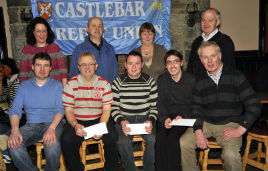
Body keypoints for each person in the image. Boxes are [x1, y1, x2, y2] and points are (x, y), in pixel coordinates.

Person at [180, 41, 262, 171]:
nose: (210, 60)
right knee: (184, 143)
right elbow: (196, 109)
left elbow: (254, 105)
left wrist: (241, 129)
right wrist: (198, 130)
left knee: (230, 155)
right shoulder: (199, 81)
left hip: (230, 123)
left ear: (220, 55)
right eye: (205, 57)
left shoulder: (236, 76)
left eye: (213, 55)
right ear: (201, 60)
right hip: (206, 122)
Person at [61, 52, 119, 171]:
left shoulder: (105, 84)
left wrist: (101, 126)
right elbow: (69, 110)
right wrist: (75, 125)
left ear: (96, 66)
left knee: (113, 137)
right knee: (66, 140)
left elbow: (107, 109)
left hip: (100, 118)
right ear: (78, 67)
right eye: (83, 65)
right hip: (77, 120)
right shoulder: (70, 85)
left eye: (90, 64)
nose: (87, 68)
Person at [8, 52, 64, 171]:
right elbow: (15, 110)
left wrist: (52, 128)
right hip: (31, 125)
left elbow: (60, 109)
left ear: (51, 68)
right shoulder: (24, 86)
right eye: (39, 65)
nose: (42, 69)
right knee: (13, 145)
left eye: (46, 65)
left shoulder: (57, 85)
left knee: (52, 146)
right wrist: (14, 130)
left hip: (53, 123)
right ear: (33, 67)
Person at [111, 51, 158, 171]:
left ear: (142, 64)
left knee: (152, 139)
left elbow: (154, 107)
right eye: (130, 63)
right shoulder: (118, 82)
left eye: (137, 63)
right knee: (122, 141)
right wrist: (121, 121)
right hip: (125, 118)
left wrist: (151, 120)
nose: (133, 67)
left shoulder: (150, 81)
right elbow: (114, 107)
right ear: (125, 65)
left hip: (145, 118)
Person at [155, 50, 196, 170]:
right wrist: (164, 119)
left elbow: (196, 104)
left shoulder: (191, 80)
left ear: (181, 63)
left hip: (185, 118)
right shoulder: (162, 79)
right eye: (169, 63)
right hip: (168, 117)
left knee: (173, 138)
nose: (172, 66)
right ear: (166, 65)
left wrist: (184, 117)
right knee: (160, 139)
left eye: (175, 62)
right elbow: (160, 102)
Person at [187, 8, 236, 80]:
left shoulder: (225, 41)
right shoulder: (197, 41)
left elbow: (229, 68)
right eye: (203, 20)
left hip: (216, 87)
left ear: (217, 22)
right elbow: (190, 68)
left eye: (210, 20)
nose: (206, 23)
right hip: (197, 86)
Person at [19, 17, 68, 85]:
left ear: (48, 32)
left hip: (54, 89)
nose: (41, 34)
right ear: (33, 32)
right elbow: (23, 75)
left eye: (44, 31)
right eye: (38, 31)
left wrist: (65, 91)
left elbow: (63, 73)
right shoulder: (27, 50)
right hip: (33, 90)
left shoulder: (55, 48)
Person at [69, 17, 118, 84]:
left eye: (100, 26)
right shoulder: (79, 50)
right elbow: (73, 75)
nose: (97, 28)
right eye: (94, 26)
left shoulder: (110, 49)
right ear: (87, 29)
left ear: (103, 29)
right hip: (86, 92)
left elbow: (115, 73)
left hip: (107, 91)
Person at [0, 58, 20, 164]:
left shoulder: (17, 80)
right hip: (11, 112)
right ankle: (6, 152)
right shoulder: (8, 81)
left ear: (10, 67)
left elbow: (17, 101)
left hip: (20, 114)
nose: (1, 70)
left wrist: (9, 111)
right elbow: (2, 98)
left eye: (3, 67)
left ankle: (6, 152)